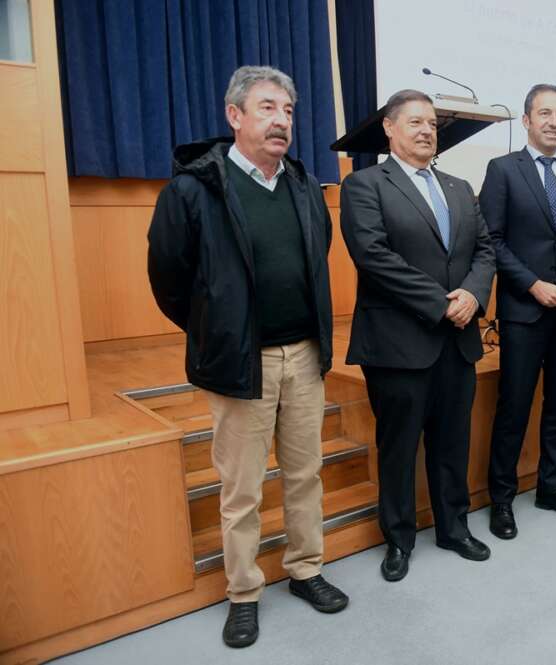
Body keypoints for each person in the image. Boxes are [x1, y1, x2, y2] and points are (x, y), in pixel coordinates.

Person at [148, 65, 347, 649]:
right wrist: (216, 330)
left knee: (306, 473)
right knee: (241, 488)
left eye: (287, 110)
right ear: (234, 116)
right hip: (242, 363)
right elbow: (168, 277)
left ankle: (306, 568)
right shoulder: (194, 189)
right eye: (266, 108)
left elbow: (317, 257)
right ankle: (243, 592)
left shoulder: (306, 186)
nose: (281, 120)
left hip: (305, 356)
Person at [339, 89, 496, 581]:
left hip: (459, 338)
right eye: (415, 122)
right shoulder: (364, 185)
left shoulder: (458, 185)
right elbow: (373, 255)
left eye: (432, 123)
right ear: (389, 128)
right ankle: (399, 539)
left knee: (452, 442)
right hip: (398, 342)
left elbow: (485, 250)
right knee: (399, 446)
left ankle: (453, 527)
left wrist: (471, 295)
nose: (427, 130)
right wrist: (440, 304)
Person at [479, 84, 556, 539]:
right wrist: (533, 284)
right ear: (527, 120)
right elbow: (491, 240)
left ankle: (552, 485)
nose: (554, 121)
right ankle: (502, 499)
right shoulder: (502, 170)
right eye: (545, 113)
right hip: (523, 313)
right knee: (514, 407)